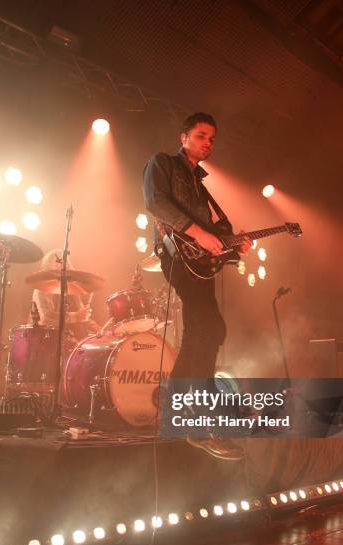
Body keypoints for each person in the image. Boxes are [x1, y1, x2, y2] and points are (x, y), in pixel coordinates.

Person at [143, 112, 251, 459]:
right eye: (202, 135)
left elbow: (213, 233)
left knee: (208, 329)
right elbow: (156, 202)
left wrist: (235, 242)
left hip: (199, 265)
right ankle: (193, 418)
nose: (209, 143)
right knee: (207, 327)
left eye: (213, 139)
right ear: (184, 136)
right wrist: (199, 233)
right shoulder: (162, 163)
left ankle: (179, 404)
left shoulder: (200, 184)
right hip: (176, 256)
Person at [29, 249, 100, 343]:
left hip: (66, 340)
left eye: (66, 263)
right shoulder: (41, 289)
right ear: (48, 267)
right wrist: (75, 317)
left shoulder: (73, 291)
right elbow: (46, 317)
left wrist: (101, 331)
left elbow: (83, 317)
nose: (64, 265)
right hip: (43, 341)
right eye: (57, 263)